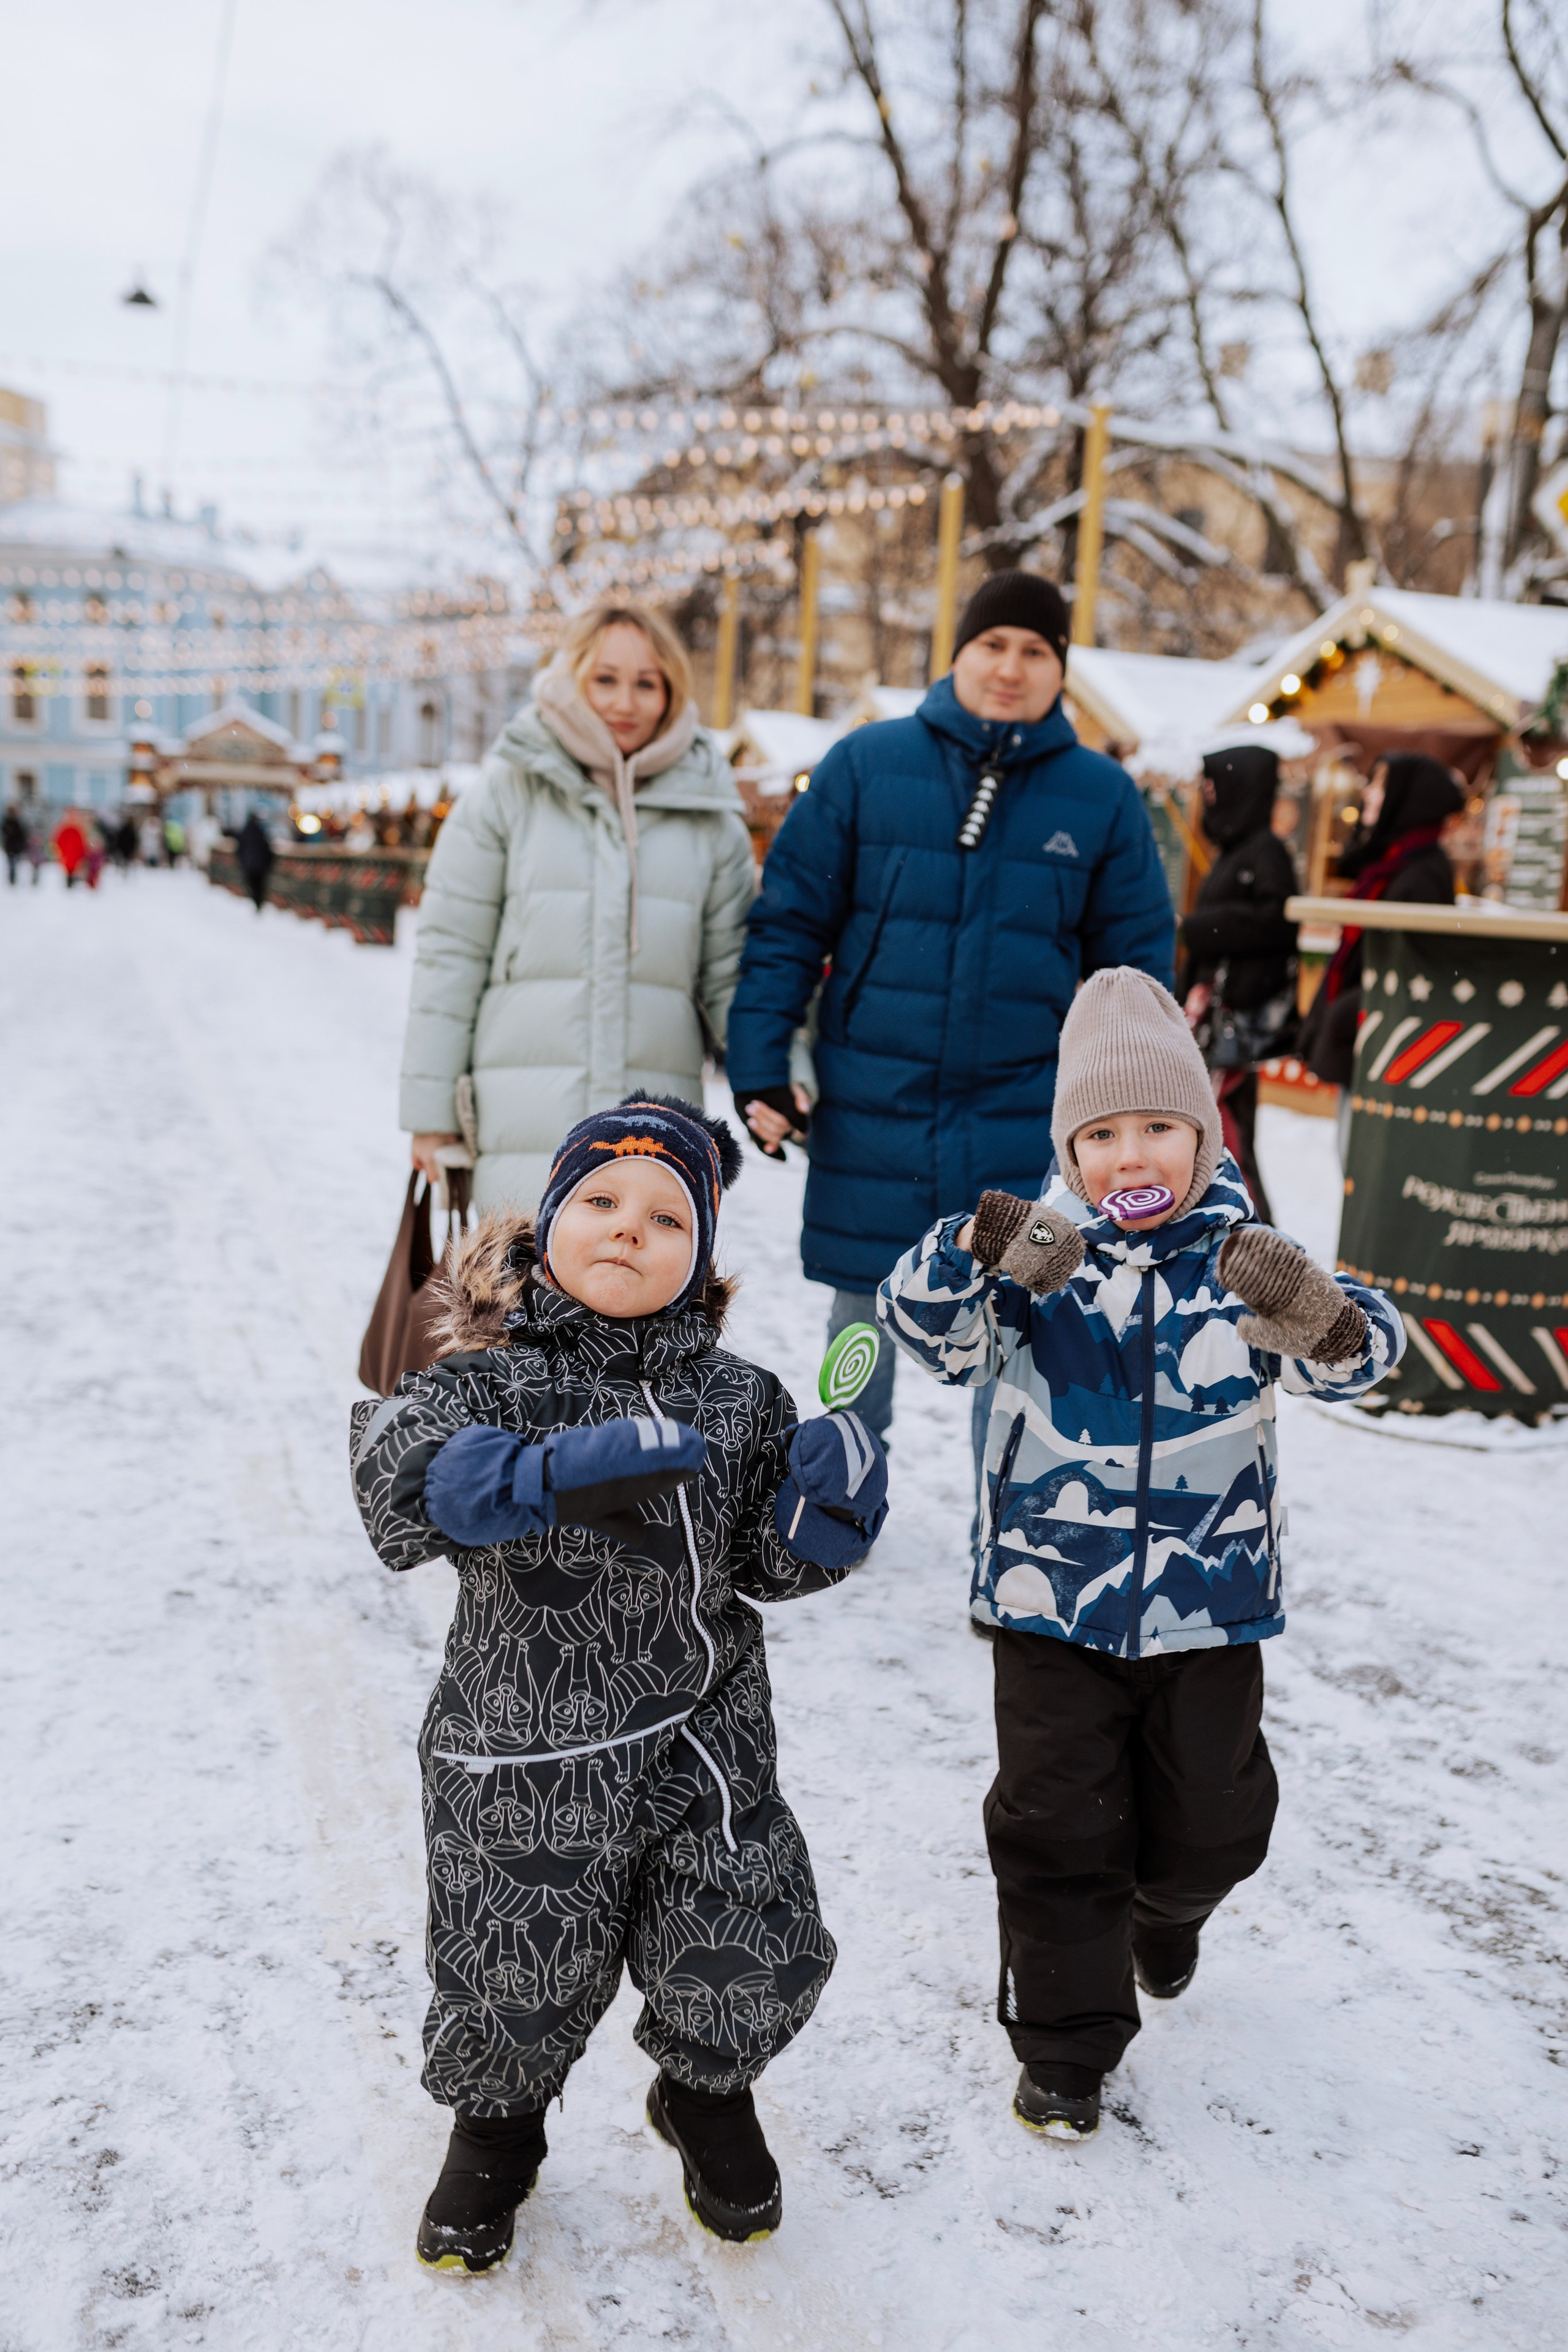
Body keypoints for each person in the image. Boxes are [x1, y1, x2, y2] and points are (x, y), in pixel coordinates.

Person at [349, 1095, 888, 2273]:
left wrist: (826, 1525)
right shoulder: (481, 1379)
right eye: (599, 1201)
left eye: (665, 1216)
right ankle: (496, 2127)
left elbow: (765, 1559)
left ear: (701, 1261)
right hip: (521, 1744)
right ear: (545, 1227)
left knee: (739, 1931)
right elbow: (394, 1475)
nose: (628, 1228)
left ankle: (706, 2092)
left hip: (704, 1736)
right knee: (514, 1955)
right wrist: (528, 1476)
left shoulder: (742, 1400)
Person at [877, 967, 1401, 2143]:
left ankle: (1169, 1912)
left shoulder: (1244, 1259)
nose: (1132, 1158)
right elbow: (923, 1332)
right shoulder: (1039, 1261)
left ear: (1203, 1134)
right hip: (1046, 1604)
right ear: (1071, 1148)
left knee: (1215, 1823)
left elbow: (1364, 1356)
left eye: (1158, 1129)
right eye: (1102, 1134)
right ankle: (1066, 2049)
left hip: (1212, 1610)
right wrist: (977, 1251)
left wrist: (1322, 1317)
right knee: (1057, 1826)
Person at [725, 569, 1175, 1450]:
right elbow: (788, 924)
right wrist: (762, 1065)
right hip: (872, 1095)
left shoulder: (1102, 796)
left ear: (1060, 669)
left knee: (1020, 1320)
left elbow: (1132, 977)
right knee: (862, 1309)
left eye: (1035, 651)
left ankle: (1005, 1514)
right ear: (959, 654)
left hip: (1026, 1108)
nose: (1011, 667)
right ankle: (842, 1479)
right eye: (993, 645)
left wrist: (1132, 1118)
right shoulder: (866, 764)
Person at [399, 601, 755, 1215]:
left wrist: (777, 1079)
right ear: (572, 681)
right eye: (605, 680)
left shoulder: (710, 819)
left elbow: (732, 978)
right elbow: (451, 956)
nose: (626, 702)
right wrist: (433, 1114)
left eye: (647, 684)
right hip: (522, 1120)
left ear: (672, 691)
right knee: (515, 1300)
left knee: (638, 1299)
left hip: (653, 1126)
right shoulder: (508, 791)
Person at [1298, 753, 1466, 1106]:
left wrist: (1343, 1011)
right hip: (1365, 1044)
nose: (1369, 794)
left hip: (1381, 1052)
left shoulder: (1420, 877)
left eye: (1382, 785)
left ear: (1408, 800)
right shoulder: (1389, 867)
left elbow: (1411, 974)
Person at [1178, 742, 1299, 1223]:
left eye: (1215, 786)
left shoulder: (1265, 851)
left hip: (1234, 1021)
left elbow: (1277, 920)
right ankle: (1238, 1230)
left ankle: (1255, 1238)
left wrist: (1201, 925)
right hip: (1217, 1022)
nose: (1209, 797)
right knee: (1222, 1130)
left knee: (1228, 1134)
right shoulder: (1236, 850)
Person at [234, 810, 274, 911]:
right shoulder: (261, 832)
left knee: (252, 884)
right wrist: (268, 863)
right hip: (260, 865)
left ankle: (256, 903)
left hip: (249, 864)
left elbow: (239, 849)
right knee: (259, 885)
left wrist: (243, 861)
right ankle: (259, 903)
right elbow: (267, 849)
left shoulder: (245, 831)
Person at [53, 811, 87, 888]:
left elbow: (82, 845)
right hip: (66, 856)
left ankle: (72, 884)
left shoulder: (78, 830)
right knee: (68, 871)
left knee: (74, 871)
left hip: (75, 856)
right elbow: (59, 842)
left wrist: (82, 856)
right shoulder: (64, 829)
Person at [2, 801, 26, 886]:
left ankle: (14, 879)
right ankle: (12, 879)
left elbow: (23, 835)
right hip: (10, 848)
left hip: (17, 848)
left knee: (16, 864)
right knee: (12, 864)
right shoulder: (7, 822)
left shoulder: (18, 823)